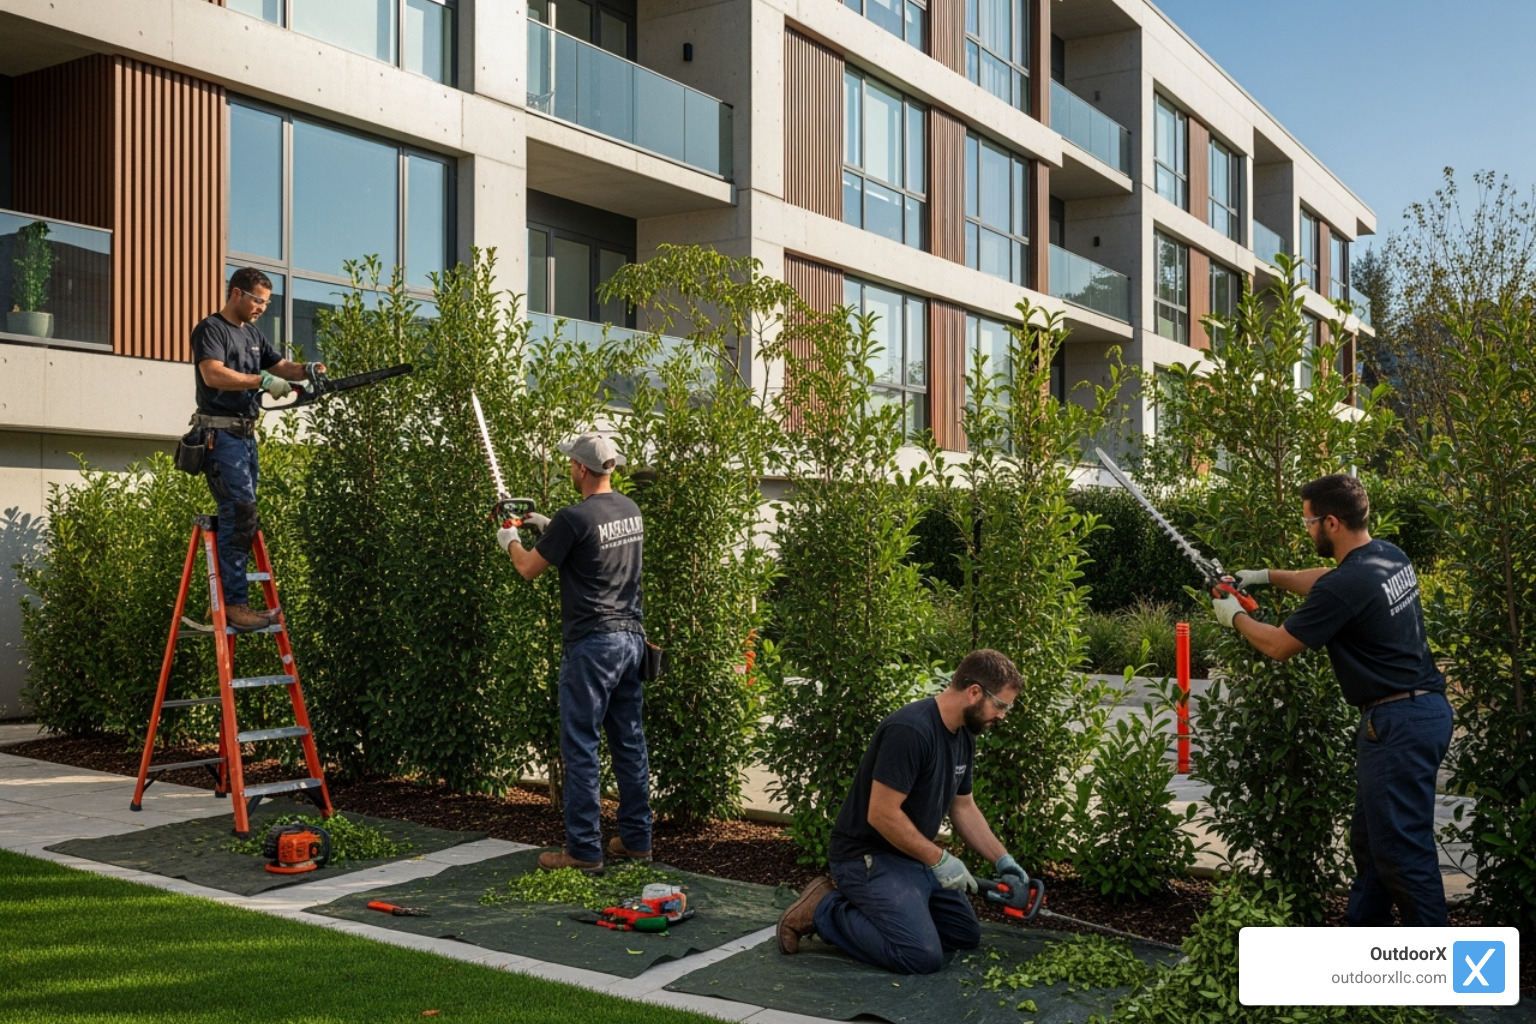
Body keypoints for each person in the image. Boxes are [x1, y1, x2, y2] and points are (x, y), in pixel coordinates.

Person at [1211, 472, 1453, 927]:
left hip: (1396, 724)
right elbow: (1324, 579)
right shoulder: (1386, 557)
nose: (1307, 530)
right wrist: (1264, 577)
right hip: (1420, 712)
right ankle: (1364, 949)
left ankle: (1439, 978)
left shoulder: (1349, 584)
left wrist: (1235, 618)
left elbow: (1280, 646)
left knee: (1403, 853)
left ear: (1333, 523)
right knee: (1372, 843)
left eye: (1309, 522)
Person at [776, 649, 1030, 974]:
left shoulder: (964, 735)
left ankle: (892, 909)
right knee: (921, 956)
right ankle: (823, 908)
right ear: (975, 692)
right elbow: (881, 815)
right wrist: (939, 859)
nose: (1003, 715)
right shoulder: (911, 731)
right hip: (867, 857)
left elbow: (963, 806)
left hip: (911, 857)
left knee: (964, 935)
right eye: (1002, 705)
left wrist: (1003, 860)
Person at [497, 432, 652, 873]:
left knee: (581, 746)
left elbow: (528, 568)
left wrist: (509, 538)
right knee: (628, 740)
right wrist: (548, 529)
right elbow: (593, 552)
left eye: (571, 463)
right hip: (630, 639)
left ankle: (584, 851)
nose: (569, 468)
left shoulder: (575, 517)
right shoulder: (629, 509)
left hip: (593, 644)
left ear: (582, 469)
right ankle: (637, 840)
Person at [191, 267, 321, 631]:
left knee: (244, 516)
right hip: (220, 437)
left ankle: (228, 599)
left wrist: (307, 369)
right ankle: (234, 603)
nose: (262, 307)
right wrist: (262, 380)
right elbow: (213, 375)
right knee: (239, 514)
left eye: (266, 301)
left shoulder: (252, 334)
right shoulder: (211, 329)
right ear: (237, 293)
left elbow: (280, 366)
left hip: (246, 438)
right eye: (258, 300)